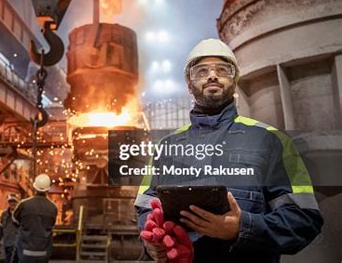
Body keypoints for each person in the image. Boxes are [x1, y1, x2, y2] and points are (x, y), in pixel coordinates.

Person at [134, 38, 323, 263]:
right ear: (189, 84)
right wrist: (154, 243)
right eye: (201, 71)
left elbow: (304, 218)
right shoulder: (165, 147)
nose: (212, 75)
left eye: (222, 70)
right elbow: (146, 207)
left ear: (234, 81)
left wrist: (243, 227)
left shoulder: (272, 140)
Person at [13, 174, 58, 263]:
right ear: (48, 189)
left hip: (25, 251)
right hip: (43, 252)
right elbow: (52, 225)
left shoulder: (24, 204)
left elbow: (15, 220)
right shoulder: (53, 208)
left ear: (34, 187)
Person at [0, 194, 20, 263]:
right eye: (10, 202)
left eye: (14, 201)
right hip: (6, 243)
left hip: (16, 244)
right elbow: (0, 229)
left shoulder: (20, 214)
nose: (12, 203)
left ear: (17, 202)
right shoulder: (4, 214)